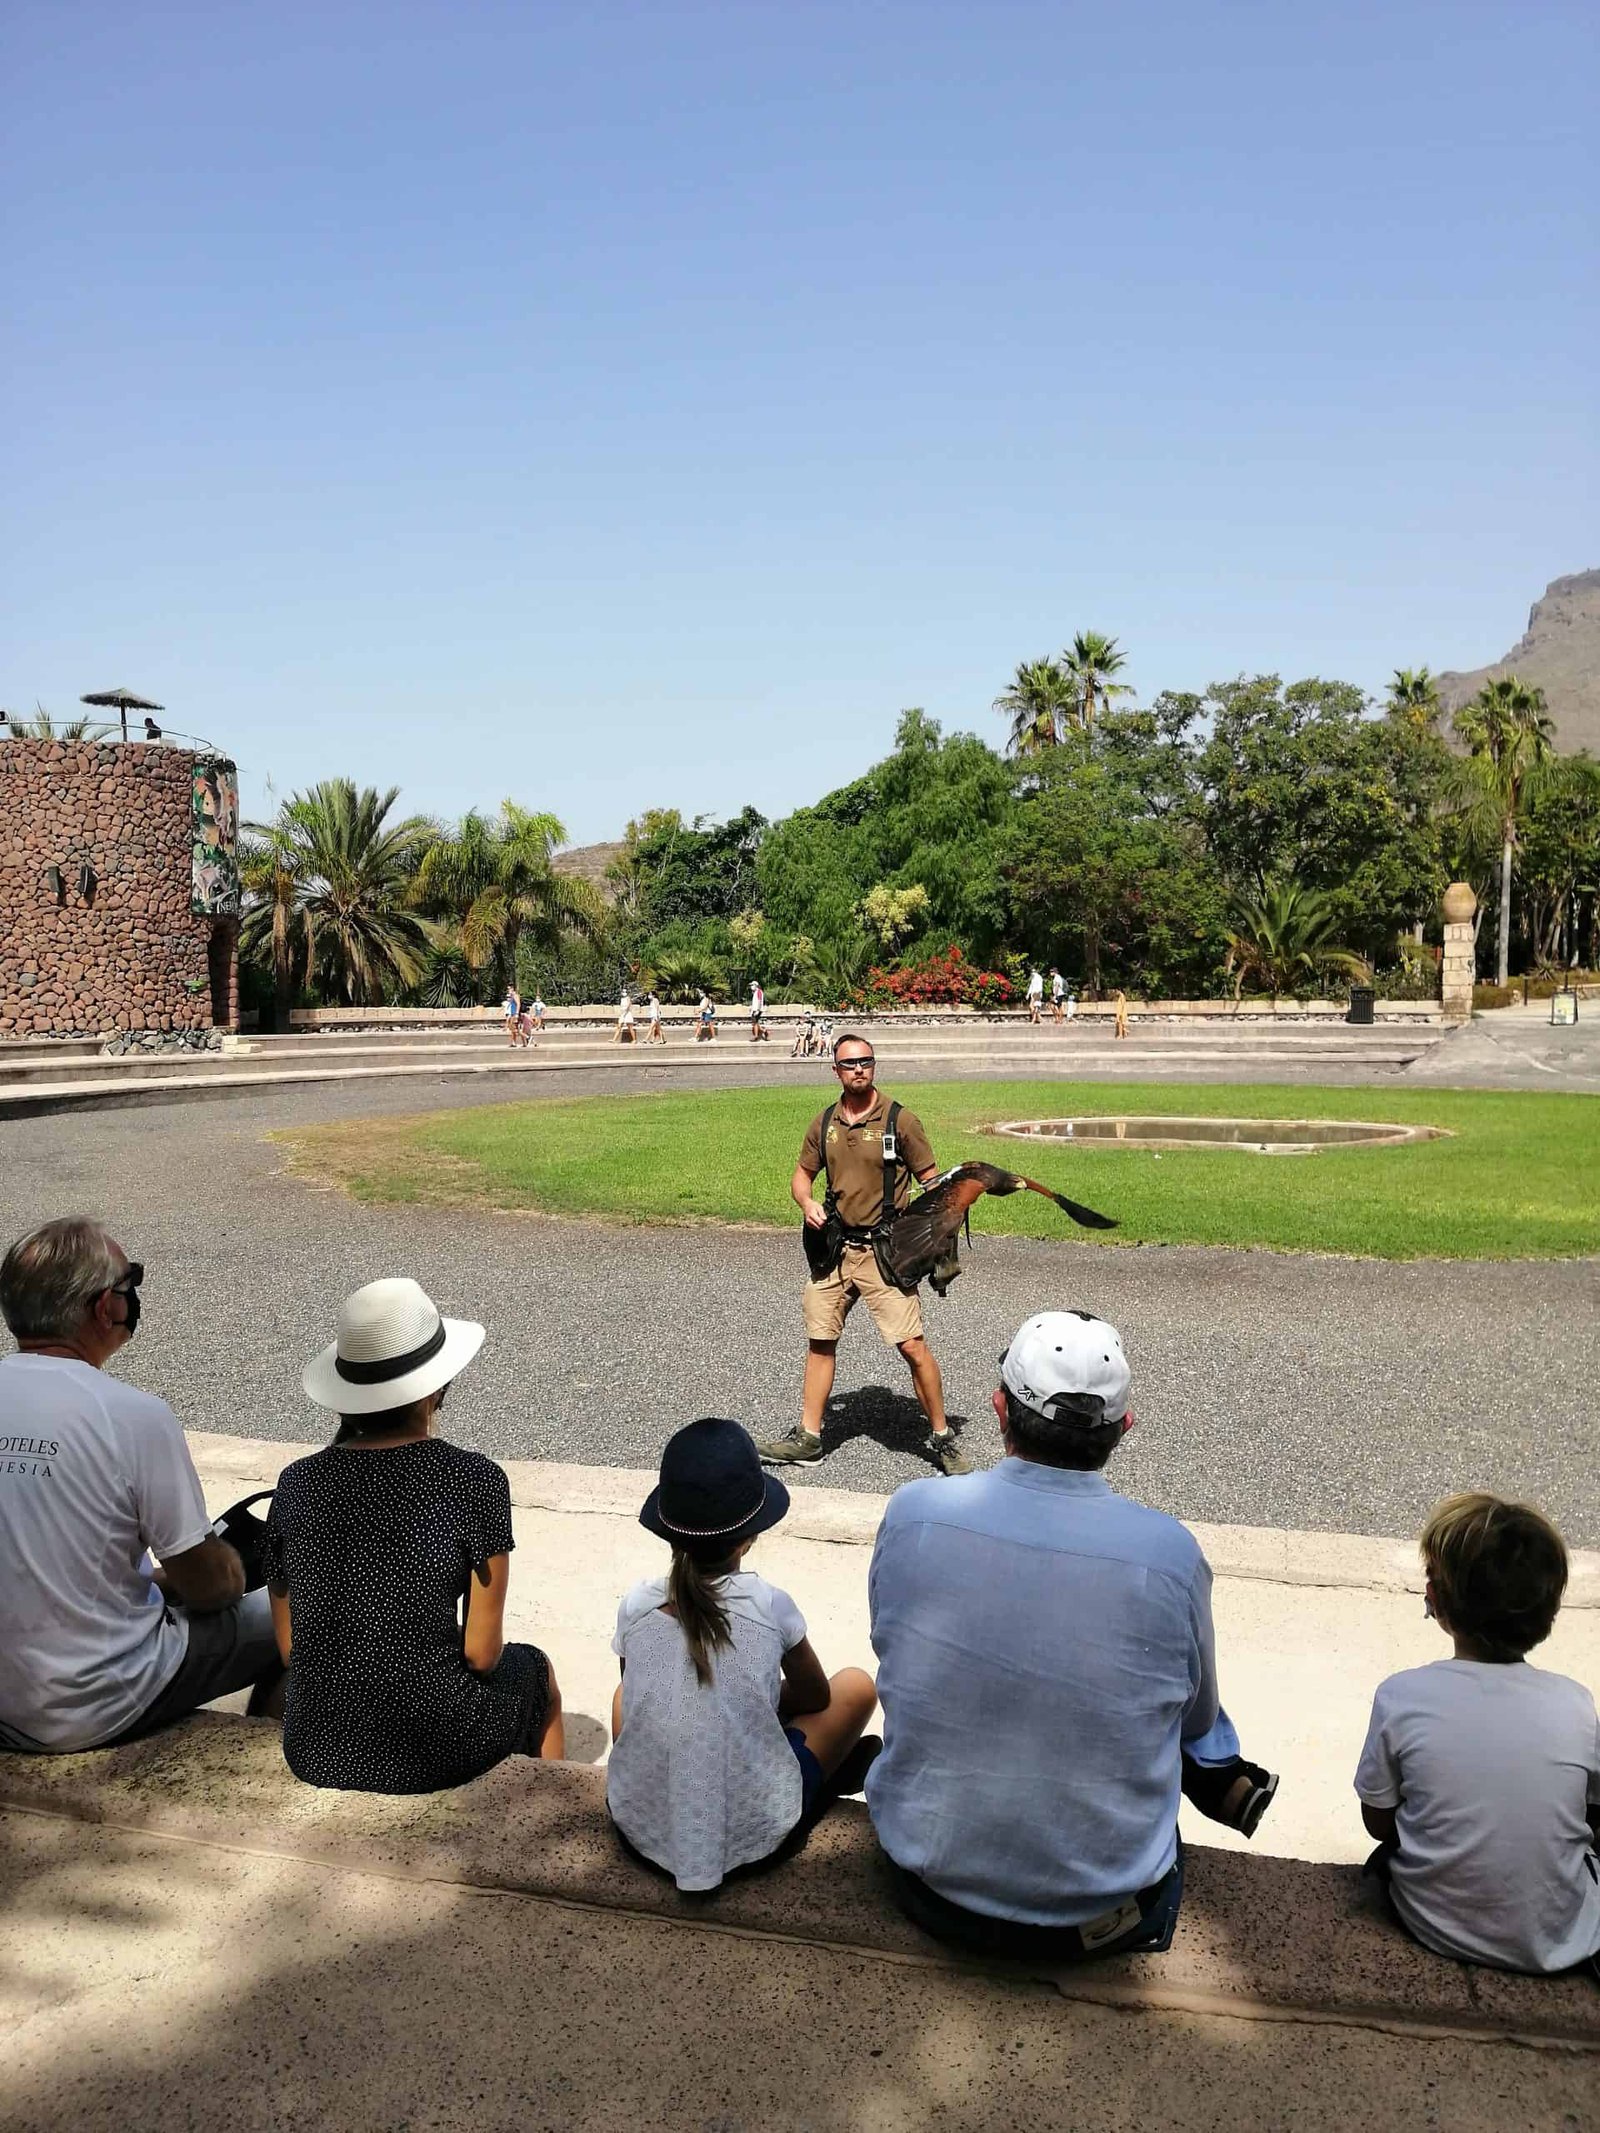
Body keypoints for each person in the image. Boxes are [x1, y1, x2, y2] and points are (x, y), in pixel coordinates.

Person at [865, 1310, 1276, 1962]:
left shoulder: (915, 1513)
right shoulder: (1166, 1553)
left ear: (1000, 1407)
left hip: (926, 1887)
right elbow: (1193, 1715)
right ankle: (1224, 1781)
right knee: (1187, 1721)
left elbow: (892, 1643)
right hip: (1105, 1916)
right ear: (1122, 1429)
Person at [263, 1278, 562, 1794]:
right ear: (435, 1386)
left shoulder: (297, 1482)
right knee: (536, 1673)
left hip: (316, 1748)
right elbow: (482, 1656)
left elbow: (292, 1650)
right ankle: (545, 1819)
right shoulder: (474, 1480)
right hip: (433, 1749)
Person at [0, 1218, 284, 1753]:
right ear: (106, 1305)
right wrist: (229, 1566)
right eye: (130, 1285)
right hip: (91, 1705)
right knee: (310, 1605)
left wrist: (148, 1580)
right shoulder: (133, 1416)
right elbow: (209, 1587)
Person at [607, 1417, 878, 1893]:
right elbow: (815, 1698)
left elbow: (635, 1696)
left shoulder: (637, 1604)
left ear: (669, 1534)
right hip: (757, 1833)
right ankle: (826, 1774)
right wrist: (756, 1703)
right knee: (856, 1683)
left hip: (643, 1832)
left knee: (622, 1692)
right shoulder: (770, 1606)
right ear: (750, 1535)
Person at [1355, 1493, 1600, 1976]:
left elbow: (1378, 1822)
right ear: (1548, 1612)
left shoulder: (1403, 1696)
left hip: (1432, 1925)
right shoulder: (1576, 1704)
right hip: (1564, 1938)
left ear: (1438, 1601)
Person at [756, 1034, 970, 1477]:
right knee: (820, 1339)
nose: (859, 1069)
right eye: (849, 1063)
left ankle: (942, 1437)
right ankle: (809, 1437)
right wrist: (807, 1203)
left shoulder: (901, 1121)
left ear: (874, 1066)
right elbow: (801, 1175)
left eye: (866, 1062)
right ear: (835, 1070)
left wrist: (944, 1228)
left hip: (884, 1253)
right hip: (834, 1250)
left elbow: (931, 1184)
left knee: (912, 1346)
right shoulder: (824, 1124)